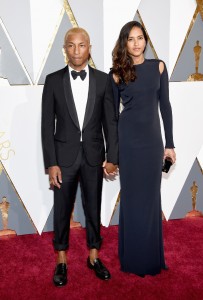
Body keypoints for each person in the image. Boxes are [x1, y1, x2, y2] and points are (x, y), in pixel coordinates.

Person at [41, 27, 118, 286]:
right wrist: (51, 162)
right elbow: (46, 126)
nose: (76, 50)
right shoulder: (53, 81)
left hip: (94, 157)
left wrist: (112, 157)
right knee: (62, 210)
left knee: (93, 208)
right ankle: (61, 259)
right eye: (71, 45)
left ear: (89, 47)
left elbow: (110, 122)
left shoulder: (103, 80)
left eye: (81, 45)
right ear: (65, 49)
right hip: (63, 159)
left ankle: (94, 256)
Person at [110, 21, 176, 276]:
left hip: (151, 143)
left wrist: (169, 144)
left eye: (140, 38)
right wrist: (112, 154)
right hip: (128, 142)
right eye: (131, 39)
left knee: (150, 199)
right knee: (130, 198)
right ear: (124, 43)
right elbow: (113, 117)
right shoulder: (116, 73)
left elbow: (165, 107)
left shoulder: (158, 67)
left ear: (145, 40)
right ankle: (132, 258)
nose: (136, 43)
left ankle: (150, 258)